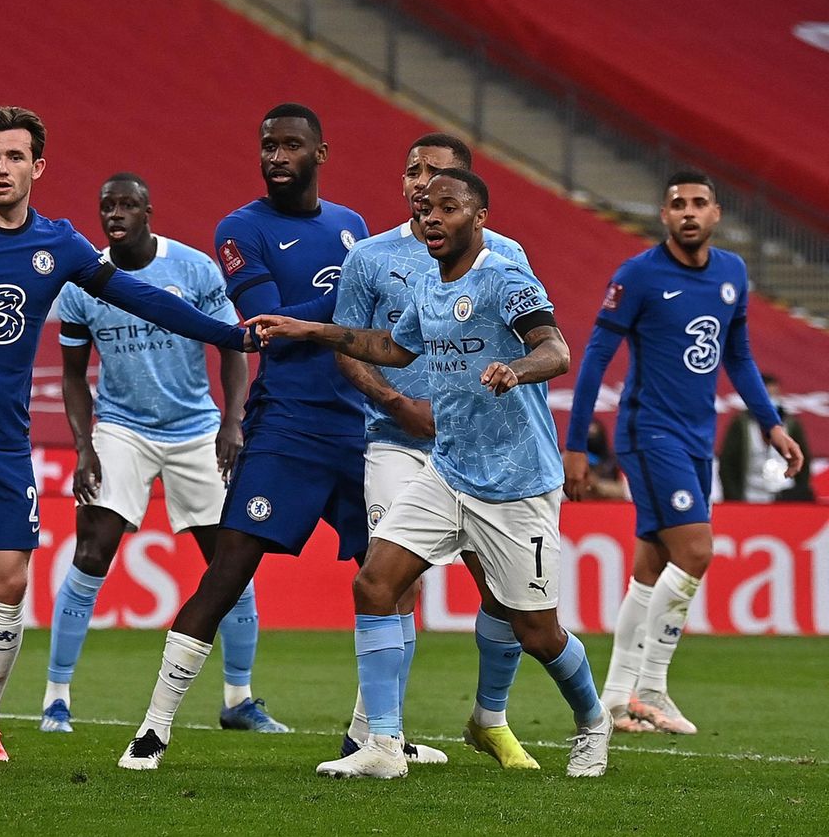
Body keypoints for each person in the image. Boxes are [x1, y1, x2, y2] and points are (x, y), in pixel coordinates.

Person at [0, 106, 253, 766]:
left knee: (10, 583)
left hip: (4, 439)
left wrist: (231, 333)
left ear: (37, 167)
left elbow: (142, 298)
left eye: (15, 157)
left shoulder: (61, 246)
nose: (1, 169)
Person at [253, 168, 612, 780]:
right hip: (448, 472)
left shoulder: (505, 278)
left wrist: (517, 369)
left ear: (480, 218)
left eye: (449, 208)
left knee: (538, 633)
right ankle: (384, 746)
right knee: (374, 584)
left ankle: (593, 722)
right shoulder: (425, 282)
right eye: (427, 212)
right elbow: (395, 348)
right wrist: (309, 329)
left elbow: (557, 350)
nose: (433, 219)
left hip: (516, 483)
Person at [120, 103, 371, 771]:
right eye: (268, 146)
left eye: (291, 145)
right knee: (227, 569)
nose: (276, 156)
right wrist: (354, 294)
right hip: (287, 424)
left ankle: (375, 733)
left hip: (359, 425)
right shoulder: (239, 229)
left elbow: (372, 323)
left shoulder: (353, 228)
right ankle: (153, 729)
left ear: (321, 152)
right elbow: (267, 322)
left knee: (391, 579)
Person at [565, 171, 802, 735]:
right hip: (650, 432)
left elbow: (738, 357)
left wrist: (771, 425)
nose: (689, 212)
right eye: (677, 204)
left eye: (699, 203)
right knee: (695, 550)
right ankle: (652, 687)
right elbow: (596, 358)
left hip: (699, 437)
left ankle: (617, 700)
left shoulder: (732, 274)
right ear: (664, 216)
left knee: (651, 566)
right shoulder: (639, 276)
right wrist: (575, 443)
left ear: (716, 214)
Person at [42, 173, 280, 735]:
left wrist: (231, 423)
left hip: (195, 429)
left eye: (127, 204)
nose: (116, 213)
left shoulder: (194, 269)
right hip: (122, 428)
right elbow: (73, 376)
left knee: (230, 562)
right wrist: (83, 445)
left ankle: (239, 700)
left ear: (149, 211)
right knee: (93, 549)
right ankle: (56, 697)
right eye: (107, 205)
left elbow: (233, 348)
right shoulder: (83, 282)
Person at [329, 132, 536, 770]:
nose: (422, 182)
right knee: (389, 582)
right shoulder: (368, 257)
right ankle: (375, 737)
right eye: (412, 170)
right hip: (395, 442)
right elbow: (352, 345)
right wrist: (398, 405)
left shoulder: (506, 256)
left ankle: (491, 720)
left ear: (468, 194)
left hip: (484, 453)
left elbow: (535, 340)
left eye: (438, 173)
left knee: (504, 595)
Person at [719, 374, 813, 503]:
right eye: (767, 395)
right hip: (750, 497)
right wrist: (733, 497)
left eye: (775, 395)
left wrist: (800, 491)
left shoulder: (791, 423)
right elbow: (727, 464)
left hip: (786, 497)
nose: (772, 400)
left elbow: (804, 460)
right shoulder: (741, 424)